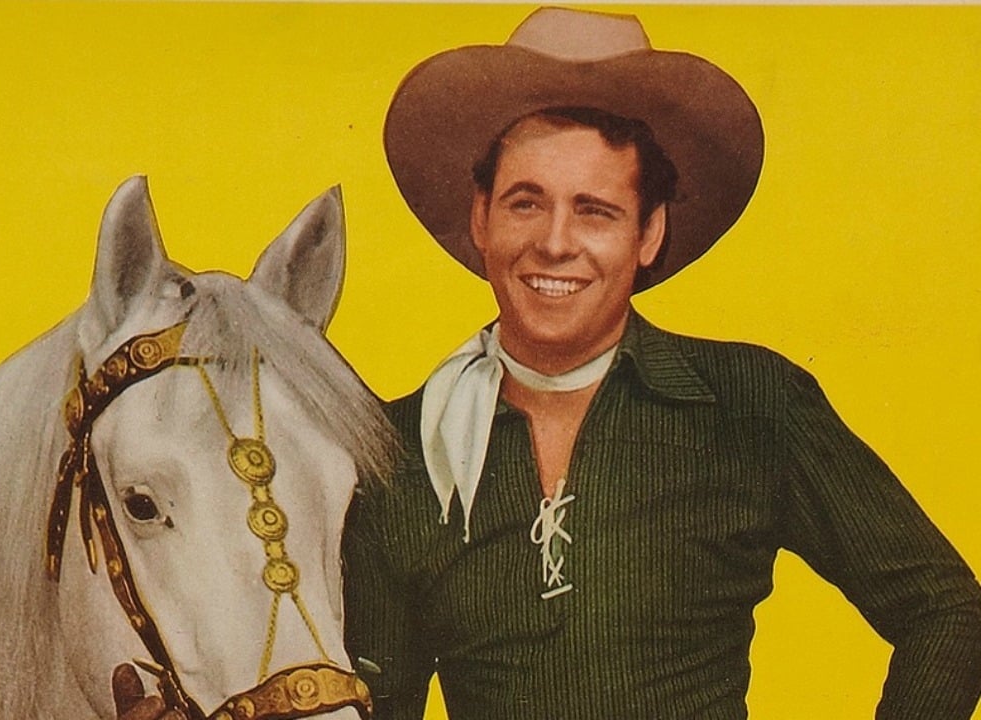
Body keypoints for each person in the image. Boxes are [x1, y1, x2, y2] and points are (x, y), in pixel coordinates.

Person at [340, 6, 981, 719]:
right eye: (526, 203)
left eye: (595, 210)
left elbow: (946, 610)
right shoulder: (396, 453)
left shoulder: (752, 402)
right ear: (481, 217)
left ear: (648, 233)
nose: (555, 243)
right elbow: (376, 704)